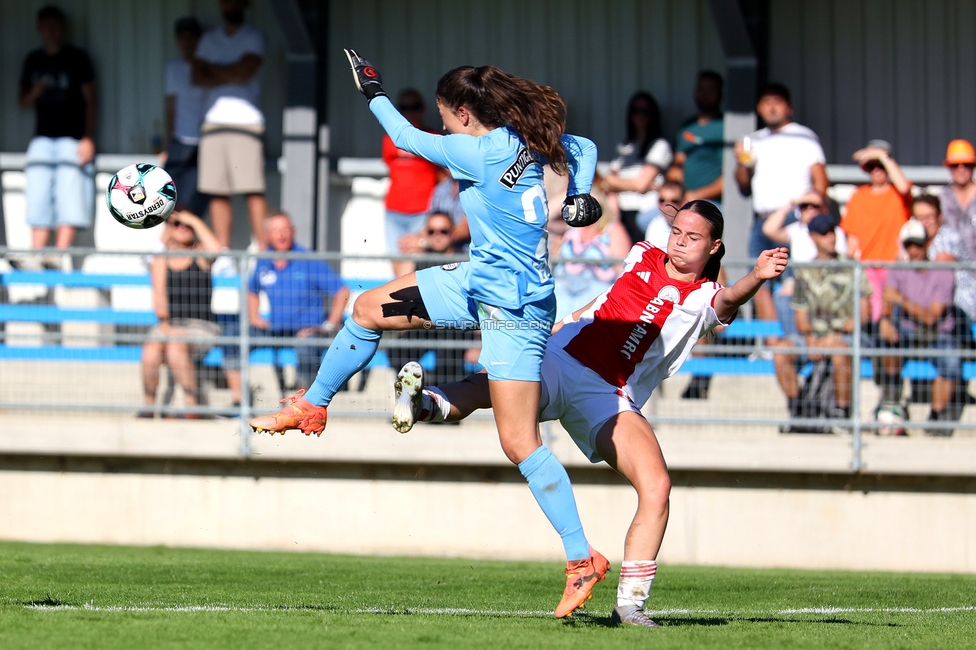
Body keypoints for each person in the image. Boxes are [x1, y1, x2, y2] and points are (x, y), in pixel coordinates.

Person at [250, 51, 608, 618]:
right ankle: (313, 406)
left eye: (445, 115)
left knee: (518, 443)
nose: (442, 125)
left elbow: (402, 135)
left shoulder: (475, 150)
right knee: (368, 308)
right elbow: (582, 148)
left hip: (514, 307)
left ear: (463, 113)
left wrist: (372, 89)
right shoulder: (525, 137)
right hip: (477, 280)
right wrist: (582, 193)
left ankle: (580, 558)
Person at [390, 201, 789, 627]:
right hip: (565, 358)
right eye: (677, 232)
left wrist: (757, 277)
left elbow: (730, 296)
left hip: (610, 395)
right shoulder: (642, 254)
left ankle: (631, 607)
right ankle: (423, 402)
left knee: (656, 486)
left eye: (693, 237)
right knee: (493, 387)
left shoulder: (706, 299)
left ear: (714, 247)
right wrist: (573, 318)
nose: (680, 242)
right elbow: (611, 296)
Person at [224, 211, 350, 399]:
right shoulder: (263, 261)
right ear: (267, 235)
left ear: (293, 232)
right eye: (275, 230)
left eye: (285, 229)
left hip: (307, 331)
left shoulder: (309, 260)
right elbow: (252, 291)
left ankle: (301, 404)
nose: (281, 234)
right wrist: (254, 317)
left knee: (307, 347)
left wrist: (328, 326)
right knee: (231, 336)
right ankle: (240, 401)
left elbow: (342, 292)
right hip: (275, 329)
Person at [734, 83, 828, 323]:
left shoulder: (803, 136)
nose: (772, 107)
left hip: (794, 218)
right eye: (767, 102)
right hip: (762, 218)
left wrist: (814, 211)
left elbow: (821, 179)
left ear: (789, 108)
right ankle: (772, 341)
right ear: (759, 108)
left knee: (794, 280)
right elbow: (743, 185)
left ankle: (796, 337)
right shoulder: (753, 140)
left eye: (777, 101)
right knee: (757, 280)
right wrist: (741, 162)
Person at [770, 213, 871, 431]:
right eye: (824, 234)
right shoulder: (804, 272)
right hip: (814, 335)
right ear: (813, 237)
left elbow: (863, 314)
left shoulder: (852, 267)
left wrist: (833, 337)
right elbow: (800, 315)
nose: (830, 238)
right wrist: (809, 340)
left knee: (839, 351)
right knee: (779, 352)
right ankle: (798, 408)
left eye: (832, 232)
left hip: (846, 335)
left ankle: (841, 413)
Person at [17, 5, 97, 264]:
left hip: (72, 138)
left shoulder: (77, 58)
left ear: (62, 29)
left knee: (70, 194)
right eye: (47, 26)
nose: (51, 31)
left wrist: (88, 137)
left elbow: (91, 100)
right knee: (38, 194)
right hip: (41, 137)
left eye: (56, 26)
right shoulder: (33, 60)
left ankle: (58, 254)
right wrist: (36, 91)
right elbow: (21, 100)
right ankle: (36, 256)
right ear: (39, 29)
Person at [193, 0, 267, 250]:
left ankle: (264, 252)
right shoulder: (208, 39)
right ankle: (222, 250)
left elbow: (245, 72)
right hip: (213, 123)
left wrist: (213, 71)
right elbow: (196, 76)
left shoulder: (253, 36)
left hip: (247, 123)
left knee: (253, 190)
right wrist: (231, 72)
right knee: (217, 191)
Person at [878, 219, 960, 436]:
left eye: (918, 244)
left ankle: (937, 416)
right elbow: (887, 300)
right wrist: (885, 321)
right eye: (909, 245)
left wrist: (901, 300)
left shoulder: (943, 273)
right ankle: (891, 400)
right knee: (886, 340)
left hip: (936, 334)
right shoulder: (897, 270)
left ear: (927, 245)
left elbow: (932, 318)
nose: (913, 250)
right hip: (907, 331)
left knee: (951, 359)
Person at [141, 210, 222, 418]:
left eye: (187, 225)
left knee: (176, 346)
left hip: (201, 326)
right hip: (170, 324)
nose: (182, 227)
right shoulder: (161, 260)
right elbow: (159, 297)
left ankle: (191, 405)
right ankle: (149, 406)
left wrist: (192, 218)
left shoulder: (200, 255)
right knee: (151, 351)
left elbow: (216, 249)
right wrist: (166, 326)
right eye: (177, 224)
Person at [839, 140, 912, 322]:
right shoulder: (859, 196)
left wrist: (881, 155)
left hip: (894, 268)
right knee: (871, 316)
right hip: (867, 269)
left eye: (880, 165)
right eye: (872, 166)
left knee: (891, 317)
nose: (877, 170)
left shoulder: (898, 194)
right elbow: (852, 238)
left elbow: (903, 185)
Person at [600, 92, 673, 245]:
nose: (640, 116)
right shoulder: (624, 145)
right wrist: (620, 183)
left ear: (653, 115)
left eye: (645, 111)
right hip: (620, 213)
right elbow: (605, 183)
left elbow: (641, 184)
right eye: (635, 111)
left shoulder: (660, 145)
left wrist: (615, 182)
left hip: (644, 213)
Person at [384, 88, 442, 277]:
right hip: (394, 211)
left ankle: (402, 303)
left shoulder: (432, 137)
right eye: (404, 108)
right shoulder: (389, 139)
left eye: (414, 107)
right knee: (395, 260)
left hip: (422, 211)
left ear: (422, 109)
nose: (409, 112)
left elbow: (444, 172)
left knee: (412, 260)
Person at [160, 16, 210, 217]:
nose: (187, 43)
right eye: (182, 38)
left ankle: (192, 246)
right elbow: (171, 107)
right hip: (180, 141)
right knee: (168, 200)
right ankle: (170, 246)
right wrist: (167, 144)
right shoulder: (173, 68)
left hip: (204, 143)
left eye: (191, 38)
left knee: (194, 204)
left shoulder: (209, 67)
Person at [552, 202, 630, 321]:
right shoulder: (570, 226)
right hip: (564, 287)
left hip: (597, 289)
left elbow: (623, 270)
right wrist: (567, 191)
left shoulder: (612, 229)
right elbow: (545, 220)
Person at [669, 70, 724, 203]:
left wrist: (696, 195)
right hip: (683, 198)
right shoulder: (687, 126)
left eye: (710, 90)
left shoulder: (724, 127)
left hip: (712, 202)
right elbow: (677, 165)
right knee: (645, 218)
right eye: (701, 89)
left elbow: (729, 177)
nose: (704, 95)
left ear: (720, 95)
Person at [939, 140, 976, 274]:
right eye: (955, 165)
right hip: (948, 274)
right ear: (949, 168)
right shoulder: (941, 199)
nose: (961, 169)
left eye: (966, 164)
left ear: (973, 166)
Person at [643, 180, 686, 250]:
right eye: (662, 200)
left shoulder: (693, 225)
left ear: (684, 202)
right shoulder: (655, 225)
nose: (667, 206)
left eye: (674, 201)